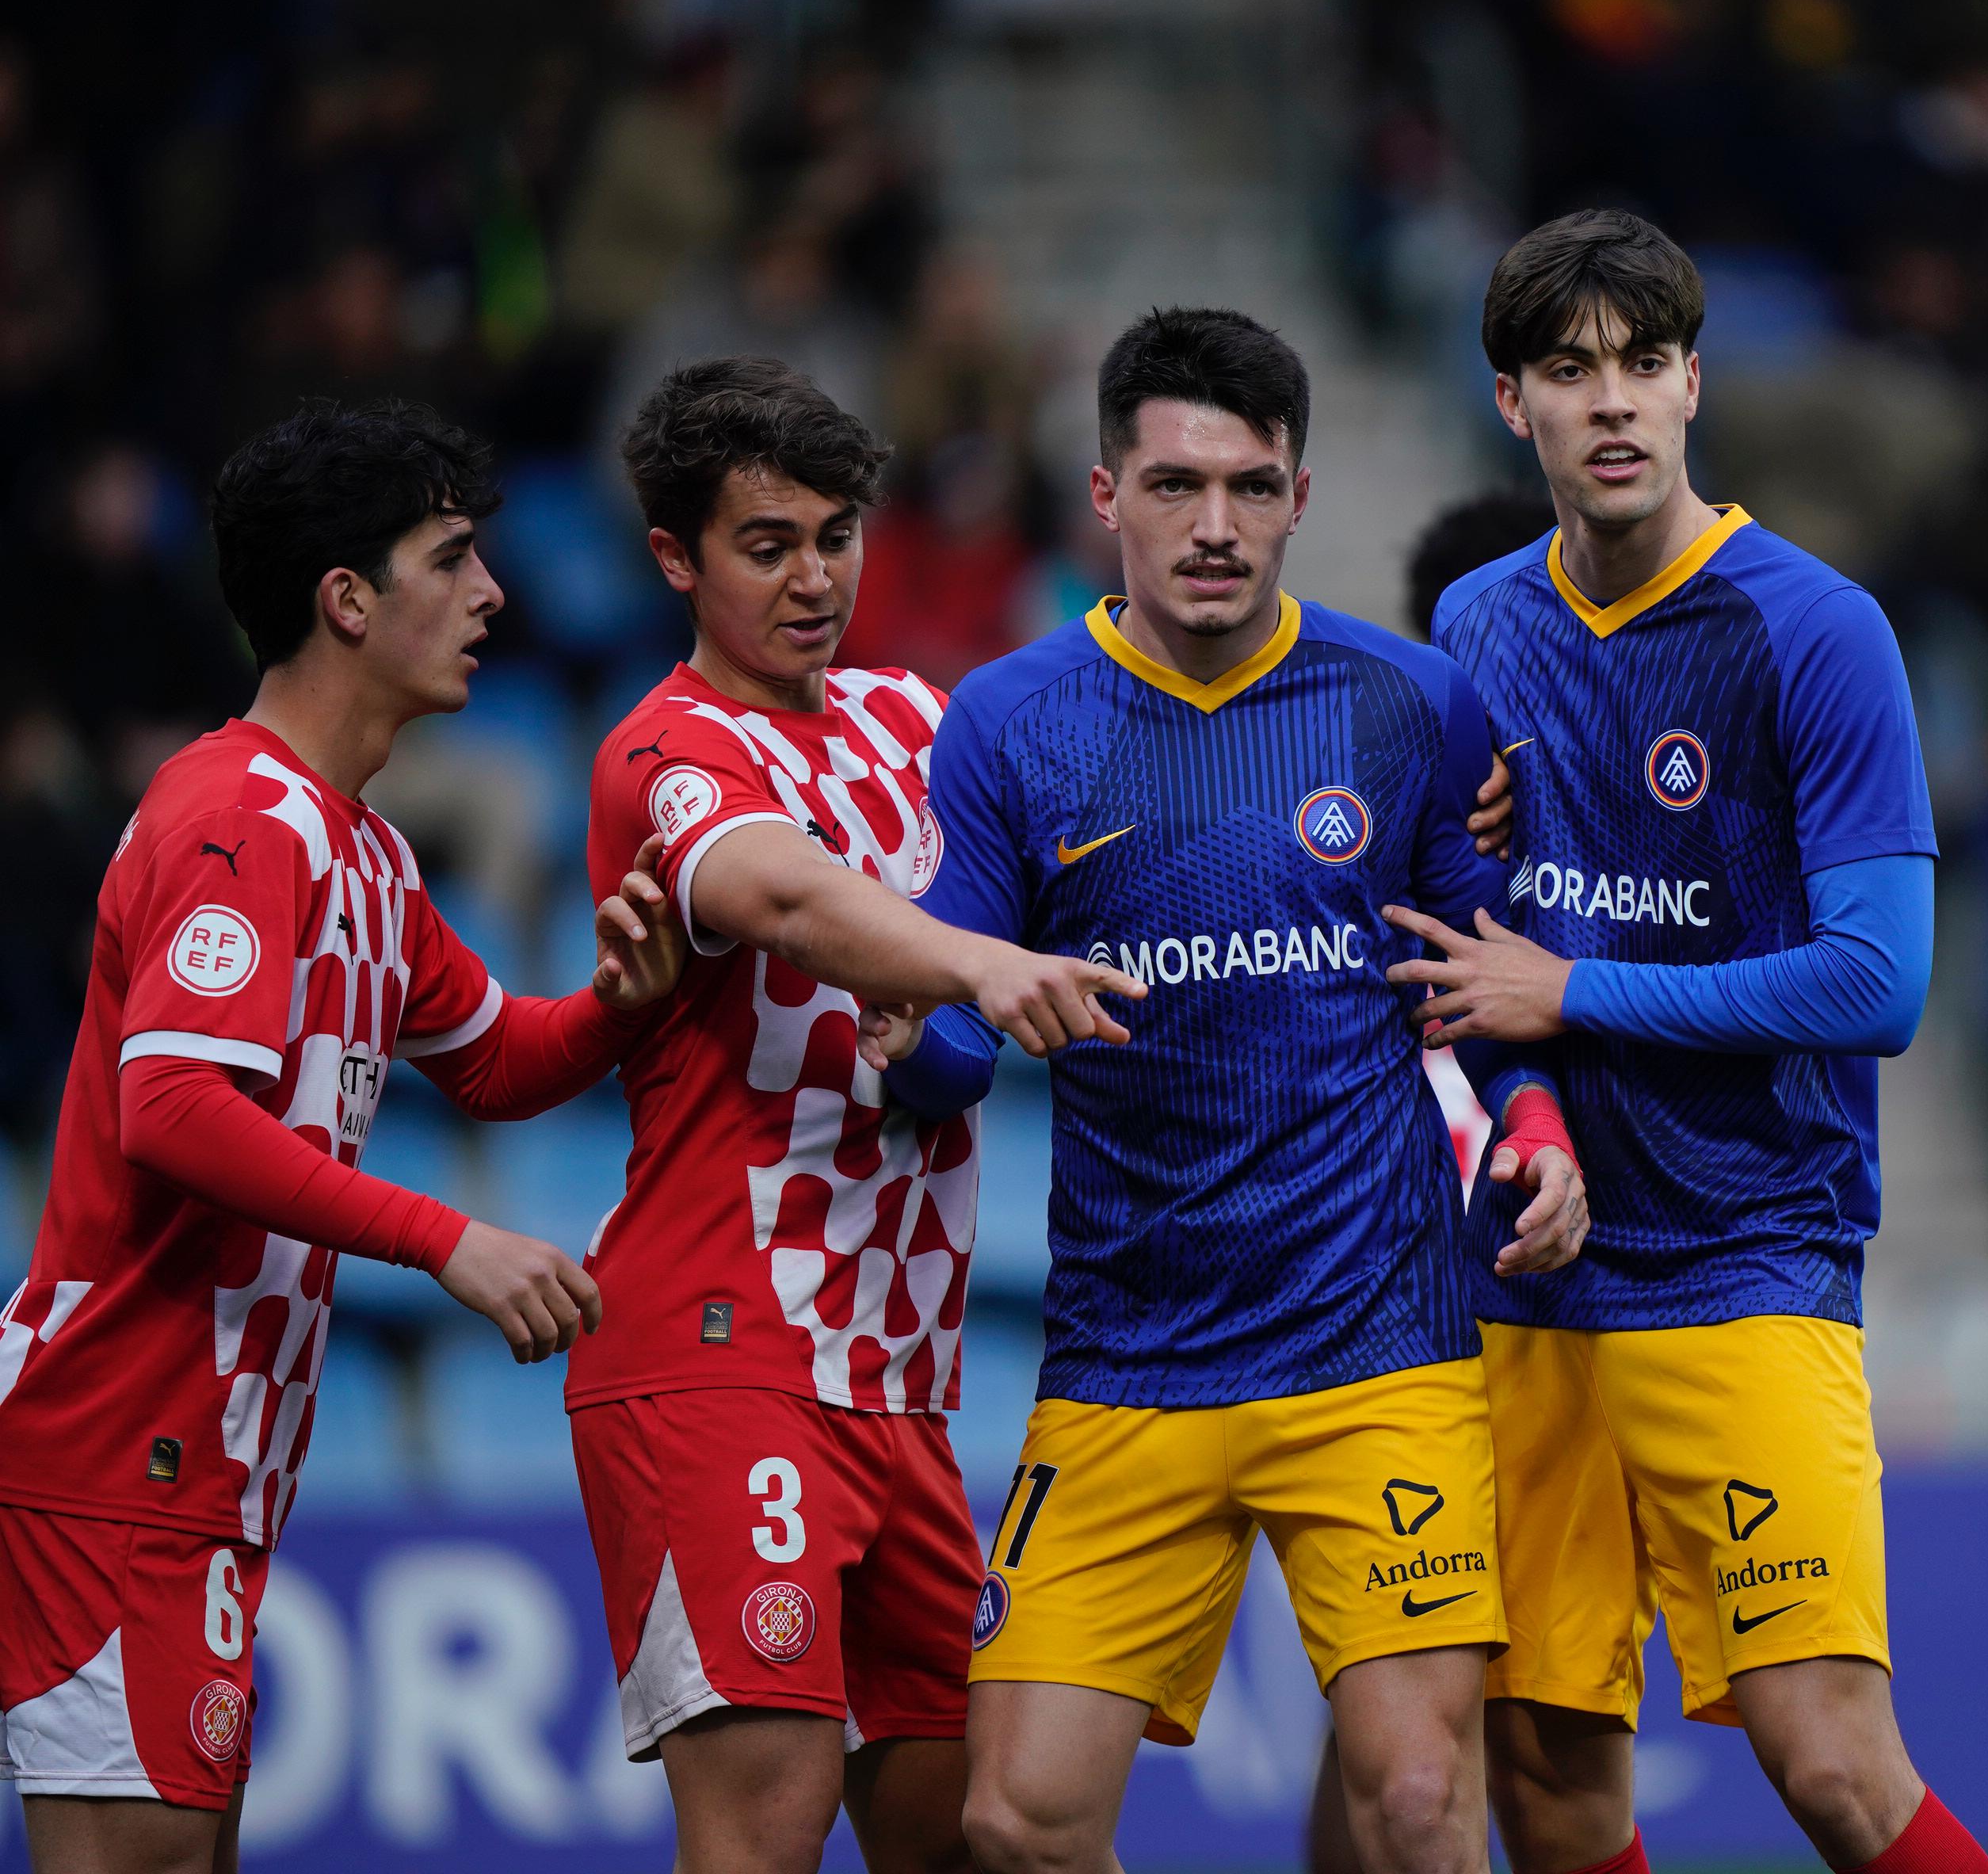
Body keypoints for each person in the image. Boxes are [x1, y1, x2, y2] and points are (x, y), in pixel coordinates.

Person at [866, 307, 1583, 1874]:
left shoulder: (1407, 708)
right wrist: (904, 1032)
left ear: (1301, 499)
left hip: (1377, 1345)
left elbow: (1493, 989)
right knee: (1015, 1820)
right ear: (1107, 493)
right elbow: (956, 1048)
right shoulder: (1009, 721)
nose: (1215, 526)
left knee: (1413, 1797)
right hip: (1131, 1356)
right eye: (1177, 485)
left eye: (1252, 487)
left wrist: (1537, 1131)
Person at [1368, 208, 1987, 1874]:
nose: (1615, 401)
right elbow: (1477, 957)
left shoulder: (1819, 628)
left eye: (1645, 363)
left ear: (1697, 380)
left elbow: (1879, 982)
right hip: (1534, 1281)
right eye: (1571, 371)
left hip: (1746, 1256)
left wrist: (1576, 1001)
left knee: (1834, 1767)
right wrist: (1539, 1116)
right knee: (1554, 1778)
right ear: (1514, 404)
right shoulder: (1480, 629)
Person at [0, 399, 687, 1873]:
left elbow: (499, 1058)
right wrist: (449, 1241)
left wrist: (632, 999)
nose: (493, 593)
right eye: (452, 559)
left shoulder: (360, 847)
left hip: (205, 1466)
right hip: (121, 1450)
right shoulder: (236, 822)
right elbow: (174, 1112)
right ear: (347, 600)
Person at [570, 356, 1136, 1874]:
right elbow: (782, 895)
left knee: (978, 1832)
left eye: (837, 535)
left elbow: (1092, 820)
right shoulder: (668, 750)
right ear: (676, 561)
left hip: (899, 1390)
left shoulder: (909, 717)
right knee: (766, 1833)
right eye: (768, 545)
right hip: (720, 1357)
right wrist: (976, 963)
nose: (815, 577)